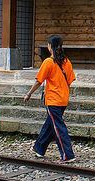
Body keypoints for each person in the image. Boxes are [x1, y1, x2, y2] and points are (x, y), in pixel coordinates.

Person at [23, 34, 77, 163]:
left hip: (53, 99)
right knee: (50, 124)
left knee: (58, 126)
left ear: (50, 46)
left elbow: (38, 81)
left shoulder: (48, 62)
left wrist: (29, 93)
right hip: (63, 98)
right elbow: (70, 80)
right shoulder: (66, 62)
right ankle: (39, 148)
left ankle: (67, 154)